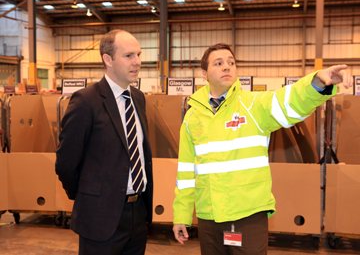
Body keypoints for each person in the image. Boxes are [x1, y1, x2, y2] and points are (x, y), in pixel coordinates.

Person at [172, 43, 352, 255]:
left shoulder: (254, 105)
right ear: (204, 73)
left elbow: (289, 102)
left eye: (231, 62)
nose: (227, 67)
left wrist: (316, 83)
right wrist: (181, 216)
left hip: (248, 215)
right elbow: (185, 172)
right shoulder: (193, 116)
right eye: (218, 63)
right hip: (209, 217)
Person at [56, 29, 153, 255]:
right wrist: (88, 196)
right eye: (129, 56)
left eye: (139, 54)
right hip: (100, 217)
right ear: (107, 60)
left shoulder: (138, 99)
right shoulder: (85, 101)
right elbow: (66, 163)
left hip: (138, 213)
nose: (137, 62)